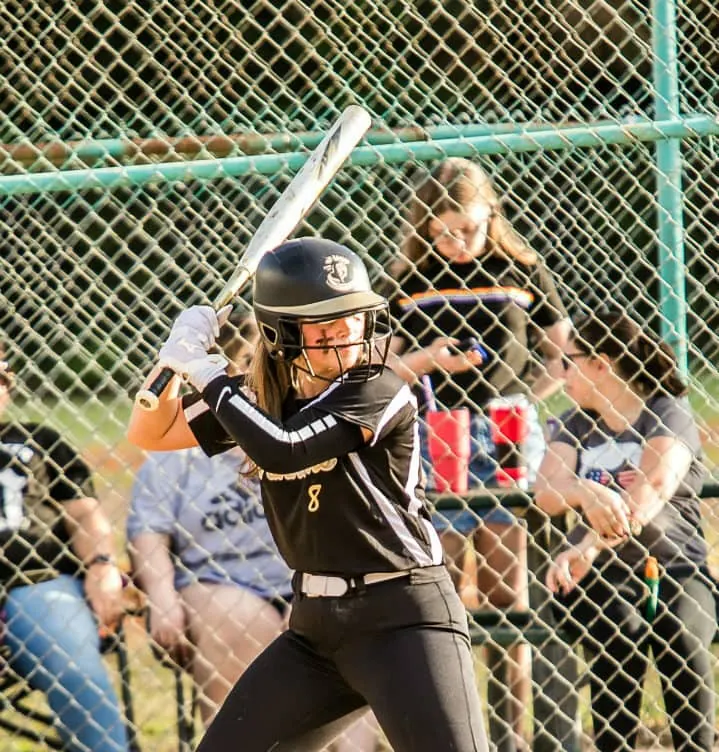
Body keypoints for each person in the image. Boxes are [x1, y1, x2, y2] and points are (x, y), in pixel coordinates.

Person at [127, 237, 489, 752]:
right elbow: (150, 433)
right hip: (316, 632)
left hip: (404, 617)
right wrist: (172, 363)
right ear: (279, 333)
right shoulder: (260, 401)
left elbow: (284, 450)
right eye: (324, 324)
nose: (344, 333)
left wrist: (207, 372)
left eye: (352, 318)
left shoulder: (378, 390)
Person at [386, 157, 571, 751]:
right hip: (435, 431)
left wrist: (521, 400)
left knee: (504, 592)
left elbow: (558, 355)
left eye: (468, 227)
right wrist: (428, 362)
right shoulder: (407, 279)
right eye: (443, 230)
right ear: (424, 225)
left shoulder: (522, 269)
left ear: (490, 214)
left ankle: (511, 737)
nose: (457, 241)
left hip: (506, 426)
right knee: (440, 589)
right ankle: (455, 732)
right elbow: (381, 366)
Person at [535, 309, 715, 752]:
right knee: (618, 627)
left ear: (602, 363)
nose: (561, 372)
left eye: (568, 361)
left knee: (681, 630)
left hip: (677, 564)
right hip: (599, 579)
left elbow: (651, 491)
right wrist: (586, 492)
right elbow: (546, 493)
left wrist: (590, 545)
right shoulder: (574, 424)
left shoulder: (666, 413)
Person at [127, 311, 295, 725]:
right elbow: (149, 533)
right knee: (238, 620)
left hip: (302, 580)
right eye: (247, 364)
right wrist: (163, 598)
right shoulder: (185, 446)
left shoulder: (302, 428)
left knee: (335, 639)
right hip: (219, 582)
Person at [0, 345, 129, 752]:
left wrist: (102, 566)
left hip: (34, 585)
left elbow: (85, 514)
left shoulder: (37, 440)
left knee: (74, 668)